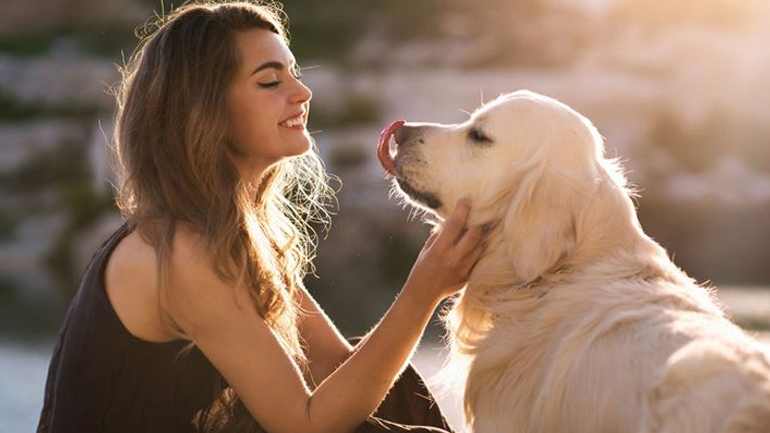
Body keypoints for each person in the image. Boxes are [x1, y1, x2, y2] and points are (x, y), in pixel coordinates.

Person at [37, 1, 485, 432]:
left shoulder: (234, 233)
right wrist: (424, 291)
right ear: (205, 110)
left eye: (294, 72)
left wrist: (447, 256)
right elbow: (306, 424)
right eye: (271, 82)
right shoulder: (180, 253)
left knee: (396, 388)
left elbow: (334, 366)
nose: (303, 92)